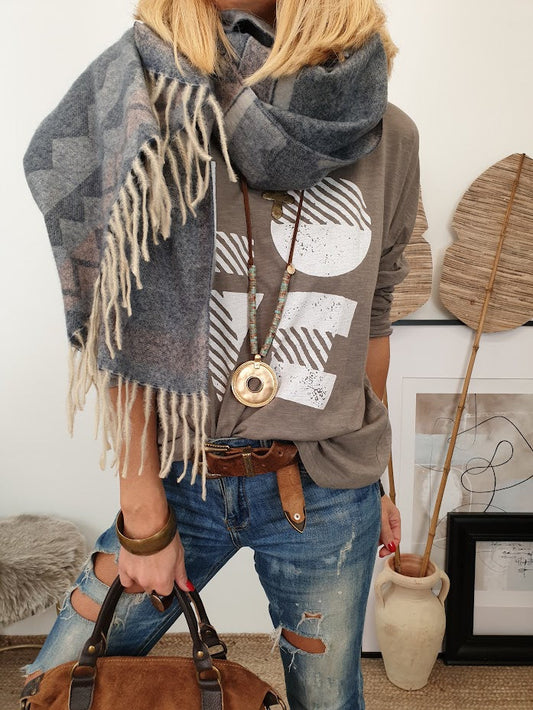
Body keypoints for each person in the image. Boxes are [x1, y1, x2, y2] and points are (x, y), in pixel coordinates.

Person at [22, 0, 417, 707]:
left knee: (327, 699)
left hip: (327, 484)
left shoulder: (388, 134)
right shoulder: (152, 105)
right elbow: (122, 315)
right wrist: (141, 506)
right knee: (53, 683)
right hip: (182, 473)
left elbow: (374, 315)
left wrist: (377, 480)